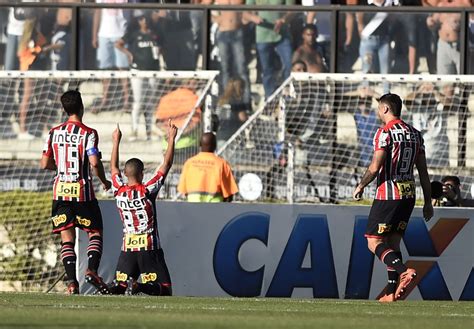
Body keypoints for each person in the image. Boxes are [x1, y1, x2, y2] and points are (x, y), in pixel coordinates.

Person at [352, 93, 434, 302]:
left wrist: (361, 185)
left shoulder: (384, 133)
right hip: (408, 195)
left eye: (379, 108)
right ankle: (390, 292)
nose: (378, 112)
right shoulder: (416, 134)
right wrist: (427, 202)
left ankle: (404, 271)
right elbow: (423, 172)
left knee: (374, 242)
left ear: (386, 109)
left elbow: (375, 167)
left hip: (389, 194)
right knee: (393, 242)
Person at [40, 90, 112, 295]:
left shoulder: (53, 132)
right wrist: (104, 180)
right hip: (82, 192)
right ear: (81, 107)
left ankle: (72, 282)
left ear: (64, 109)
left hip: (60, 192)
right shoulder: (89, 133)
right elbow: (95, 162)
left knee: (67, 238)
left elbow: (44, 163)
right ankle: (91, 270)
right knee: (95, 232)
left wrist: (61, 167)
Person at [108, 120, 177, 296]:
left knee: (120, 287)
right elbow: (166, 165)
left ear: (125, 174)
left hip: (128, 248)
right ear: (142, 173)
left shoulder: (118, 190)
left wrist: (116, 141)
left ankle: (105, 285)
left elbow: (113, 167)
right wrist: (171, 139)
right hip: (149, 248)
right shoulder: (147, 190)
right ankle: (139, 286)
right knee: (165, 289)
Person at [115, 10, 161, 141]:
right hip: (138, 71)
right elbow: (118, 44)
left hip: (153, 70)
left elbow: (162, 46)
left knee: (150, 102)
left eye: (145, 18)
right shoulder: (133, 33)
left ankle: (149, 131)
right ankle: (134, 131)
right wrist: (129, 54)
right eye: (141, 19)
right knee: (138, 102)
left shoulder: (155, 33)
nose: (144, 21)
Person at [243, 0, 295, 98]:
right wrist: (253, 18)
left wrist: (284, 19)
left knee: (290, 65)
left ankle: (288, 96)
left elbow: (292, 10)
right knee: (267, 70)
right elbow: (245, 13)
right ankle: (270, 99)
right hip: (263, 36)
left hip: (282, 35)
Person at [178, 132, 239, 202]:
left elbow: (184, 190)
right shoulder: (222, 164)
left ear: (200, 144)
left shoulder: (189, 163)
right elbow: (229, 194)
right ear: (215, 146)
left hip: (193, 208)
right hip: (215, 208)